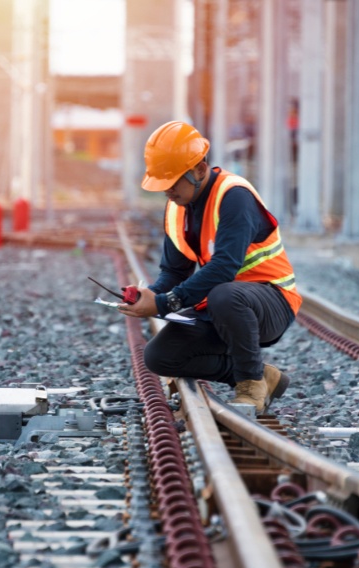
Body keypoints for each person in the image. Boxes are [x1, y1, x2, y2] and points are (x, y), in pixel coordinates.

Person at [118, 120, 302, 413]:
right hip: (222, 307)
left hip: (271, 302)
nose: (167, 191)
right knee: (159, 357)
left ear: (200, 170)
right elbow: (174, 271)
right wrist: (149, 296)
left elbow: (224, 267)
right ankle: (262, 374)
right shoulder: (178, 207)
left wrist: (167, 303)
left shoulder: (234, 197)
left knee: (224, 294)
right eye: (162, 184)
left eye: (172, 182)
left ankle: (251, 386)